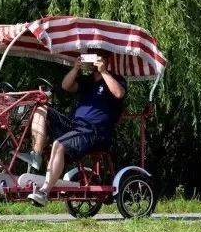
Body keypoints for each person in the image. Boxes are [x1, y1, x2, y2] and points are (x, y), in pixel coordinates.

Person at [21, 49, 127, 207]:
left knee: (59, 145)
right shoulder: (88, 81)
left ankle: (44, 192)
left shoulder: (116, 79)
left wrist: (103, 71)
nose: (93, 61)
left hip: (94, 131)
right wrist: (76, 68)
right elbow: (66, 86)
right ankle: (35, 155)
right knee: (41, 108)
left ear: (106, 60)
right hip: (75, 126)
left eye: (97, 57)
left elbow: (119, 93)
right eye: (90, 57)